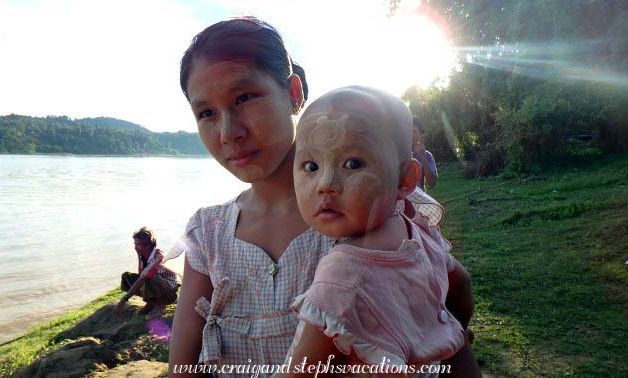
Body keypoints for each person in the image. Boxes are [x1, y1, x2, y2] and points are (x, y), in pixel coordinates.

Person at [169, 17, 479, 377]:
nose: (228, 132)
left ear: (294, 93)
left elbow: (450, 306)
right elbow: (183, 368)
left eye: (244, 98)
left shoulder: (378, 210)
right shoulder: (208, 235)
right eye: (206, 112)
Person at [281, 86, 464, 376]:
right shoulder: (417, 230)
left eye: (352, 164)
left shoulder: (342, 274)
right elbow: (462, 286)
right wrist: (455, 337)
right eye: (311, 165)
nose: (325, 183)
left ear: (406, 180)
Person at [114, 227, 181, 319]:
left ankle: (159, 305)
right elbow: (141, 274)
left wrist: (123, 300)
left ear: (147, 245)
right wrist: (139, 256)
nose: (135, 247)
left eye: (138, 244)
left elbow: (143, 278)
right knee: (127, 277)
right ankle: (151, 301)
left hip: (168, 293)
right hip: (155, 285)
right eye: (135, 244)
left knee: (150, 278)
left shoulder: (158, 257)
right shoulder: (144, 256)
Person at [412, 115, 438, 191]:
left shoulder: (427, 155)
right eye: (408, 131)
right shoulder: (398, 154)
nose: (411, 135)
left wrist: (423, 156)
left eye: (414, 131)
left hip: (419, 199)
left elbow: (432, 182)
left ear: (420, 134)